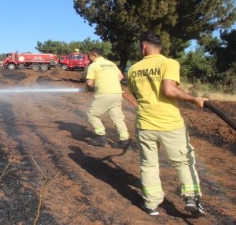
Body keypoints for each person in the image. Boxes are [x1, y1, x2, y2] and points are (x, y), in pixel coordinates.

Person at [126, 31, 208, 216]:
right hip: (170, 124)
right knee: (183, 162)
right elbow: (169, 90)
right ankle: (192, 198)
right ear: (160, 47)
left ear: (143, 46)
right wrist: (194, 99)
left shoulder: (132, 69)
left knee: (149, 165)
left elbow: (137, 96)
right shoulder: (168, 63)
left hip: (145, 124)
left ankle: (151, 204)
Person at [85, 48, 129, 148]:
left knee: (91, 114)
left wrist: (90, 88)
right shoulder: (111, 64)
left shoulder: (93, 65)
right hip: (117, 94)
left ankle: (101, 138)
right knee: (117, 118)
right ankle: (124, 140)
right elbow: (121, 76)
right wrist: (110, 83)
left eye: (89, 56)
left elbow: (89, 83)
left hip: (104, 95)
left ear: (94, 55)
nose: (89, 59)